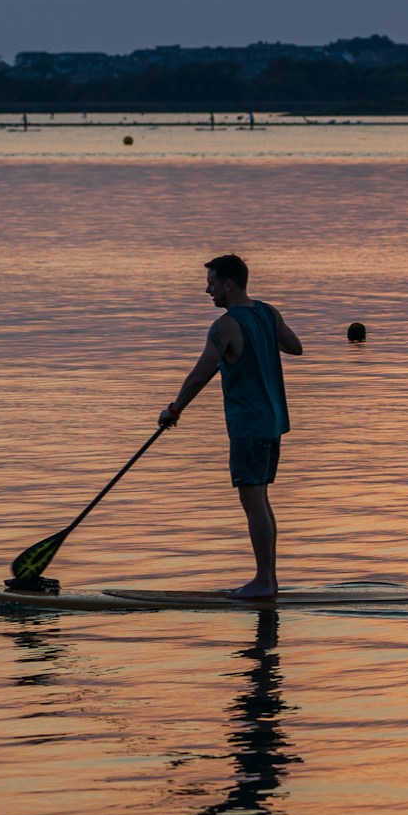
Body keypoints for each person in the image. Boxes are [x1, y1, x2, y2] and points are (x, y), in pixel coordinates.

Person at [159, 254, 303, 596]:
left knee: (253, 503)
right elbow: (294, 347)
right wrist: (259, 343)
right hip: (273, 422)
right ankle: (268, 579)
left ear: (228, 284)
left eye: (211, 283)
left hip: (248, 425)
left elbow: (196, 377)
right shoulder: (268, 313)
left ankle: (264, 582)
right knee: (261, 501)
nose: (207, 290)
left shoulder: (225, 325)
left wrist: (174, 410)